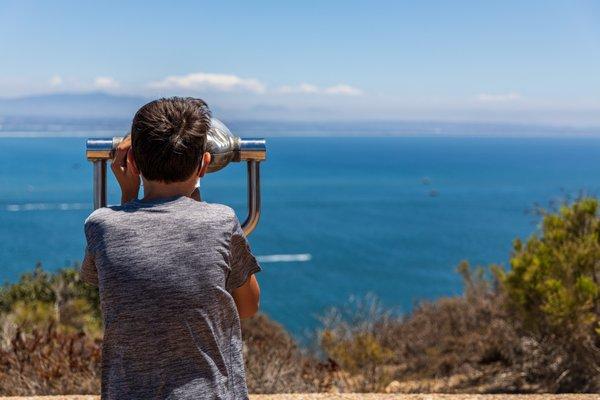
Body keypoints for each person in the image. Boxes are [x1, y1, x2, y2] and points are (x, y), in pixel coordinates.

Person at [81, 97, 261, 400]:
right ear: (204, 164)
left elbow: (125, 290)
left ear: (133, 162)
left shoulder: (102, 225)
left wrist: (128, 196)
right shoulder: (221, 221)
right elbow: (248, 306)